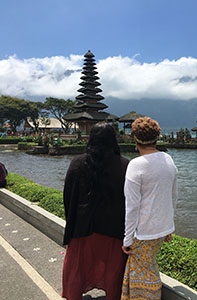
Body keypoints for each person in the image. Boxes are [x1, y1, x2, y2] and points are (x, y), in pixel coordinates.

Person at [62, 123, 129, 300]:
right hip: (113, 228)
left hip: (82, 227)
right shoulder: (124, 165)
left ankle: (73, 295)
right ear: (113, 140)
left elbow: (68, 196)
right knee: (113, 268)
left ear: (91, 139)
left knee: (77, 266)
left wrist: (72, 221)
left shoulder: (77, 163)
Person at [121, 117, 178, 300]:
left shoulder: (136, 165)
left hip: (143, 232)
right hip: (161, 229)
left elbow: (132, 206)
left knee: (144, 271)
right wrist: (169, 226)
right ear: (157, 138)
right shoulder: (168, 159)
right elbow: (172, 196)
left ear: (134, 139)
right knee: (145, 266)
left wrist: (127, 239)